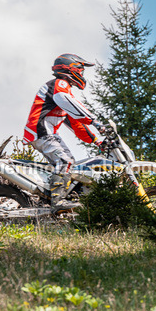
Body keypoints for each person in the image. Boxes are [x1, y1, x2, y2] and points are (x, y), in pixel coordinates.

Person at [23, 53, 106, 210]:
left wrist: (96, 141)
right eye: (80, 70)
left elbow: (76, 123)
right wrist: (95, 121)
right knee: (66, 161)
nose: (82, 74)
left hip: (44, 134)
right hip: (41, 132)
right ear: (70, 69)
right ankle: (58, 202)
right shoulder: (60, 85)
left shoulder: (62, 92)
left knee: (66, 163)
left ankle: (50, 197)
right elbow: (71, 104)